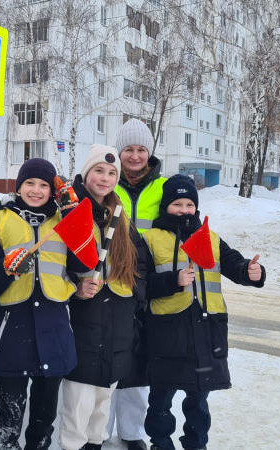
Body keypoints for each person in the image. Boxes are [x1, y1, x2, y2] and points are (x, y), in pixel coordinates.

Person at [141, 174, 266, 450]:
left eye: (189, 204)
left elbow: (235, 265)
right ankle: (160, 443)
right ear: (166, 207)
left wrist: (251, 272)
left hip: (205, 334)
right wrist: (173, 281)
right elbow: (140, 285)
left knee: (198, 401)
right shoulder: (149, 239)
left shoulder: (210, 237)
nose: (184, 210)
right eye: (177, 204)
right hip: (167, 336)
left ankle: (196, 444)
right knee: (160, 399)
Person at [0, 158, 77, 450]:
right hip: (12, 333)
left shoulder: (63, 222)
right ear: (18, 187)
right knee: (9, 418)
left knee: (44, 418)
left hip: (53, 329)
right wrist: (5, 269)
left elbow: (84, 263)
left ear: (52, 190)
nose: (36, 190)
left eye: (44, 185)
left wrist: (73, 217)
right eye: (29, 183)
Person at [58, 145, 149, 450]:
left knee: (102, 402)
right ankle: (73, 445)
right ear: (86, 172)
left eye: (112, 173)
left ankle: (96, 444)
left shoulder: (120, 215)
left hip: (117, 321)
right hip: (85, 319)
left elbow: (140, 263)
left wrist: (135, 297)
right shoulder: (69, 209)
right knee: (79, 401)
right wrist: (75, 291)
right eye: (99, 170)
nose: (106, 178)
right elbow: (55, 264)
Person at [110, 118, 167, 450]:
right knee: (106, 355)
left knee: (138, 360)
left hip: (149, 283)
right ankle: (97, 429)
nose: (134, 156)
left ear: (150, 152)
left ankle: (132, 432)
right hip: (111, 282)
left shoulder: (162, 188)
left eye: (140, 149)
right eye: (128, 149)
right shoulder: (107, 183)